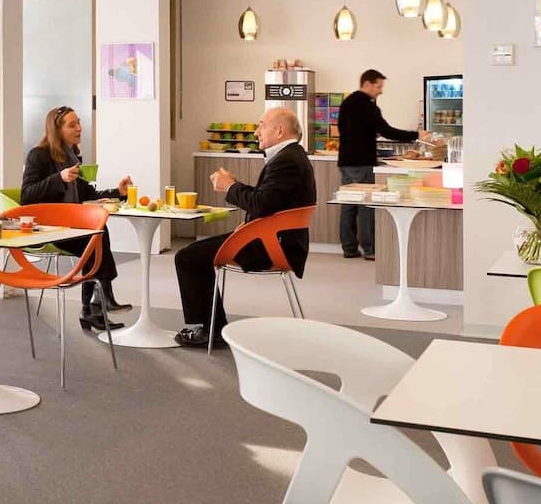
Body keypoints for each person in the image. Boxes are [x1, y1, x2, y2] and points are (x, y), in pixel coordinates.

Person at [174, 108, 316, 348]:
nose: (256, 132)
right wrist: (236, 189)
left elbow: (261, 204)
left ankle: (211, 330)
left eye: (261, 125)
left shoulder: (286, 161)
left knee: (188, 257)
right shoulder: (292, 156)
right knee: (195, 255)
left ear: (279, 130)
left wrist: (230, 187)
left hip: (270, 245)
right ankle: (212, 328)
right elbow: (269, 202)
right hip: (272, 239)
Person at [21, 106, 134, 332]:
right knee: (96, 236)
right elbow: (26, 196)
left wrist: (118, 192)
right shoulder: (38, 155)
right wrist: (59, 178)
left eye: (79, 123)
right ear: (57, 130)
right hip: (46, 230)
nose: (79, 128)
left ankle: (95, 305)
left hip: (69, 227)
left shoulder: (72, 156)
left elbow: (86, 194)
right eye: (72, 125)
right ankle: (97, 302)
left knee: (96, 234)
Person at [337, 69, 426, 260]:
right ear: (367, 84)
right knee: (366, 205)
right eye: (378, 86)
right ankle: (369, 249)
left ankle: (349, 248)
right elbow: (387, 131)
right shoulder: (367, 105)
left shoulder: (347, 102)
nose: (381, 91)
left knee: (349, 203)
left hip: (346, 161)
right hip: (361, 163)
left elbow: (350, 130)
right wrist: (417, 135)